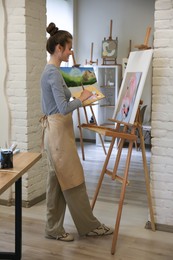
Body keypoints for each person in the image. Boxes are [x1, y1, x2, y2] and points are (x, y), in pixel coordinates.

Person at [40, 22, 113, 242]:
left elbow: (63, 100)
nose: (71, 51)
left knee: (56, 182)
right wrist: (81, 99)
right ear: (59, 48)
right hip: (57, 135)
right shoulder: (52, 74)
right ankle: (89, 226)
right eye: (69, 47)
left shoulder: (55, 71)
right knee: (73, 180)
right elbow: (63, 108)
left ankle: (53, 229)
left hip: (57, 133)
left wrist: (78, 80)